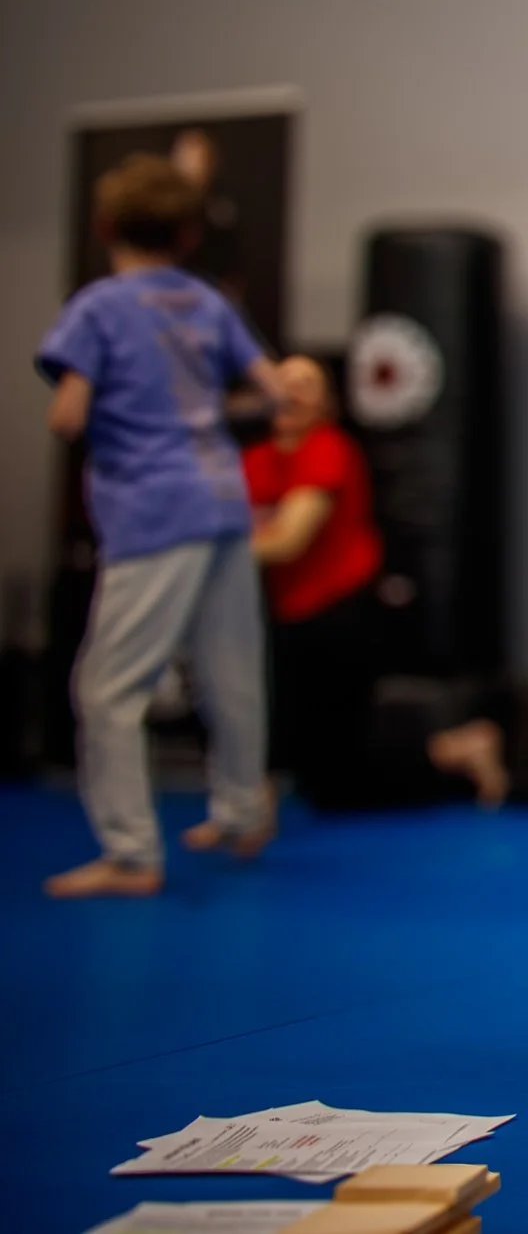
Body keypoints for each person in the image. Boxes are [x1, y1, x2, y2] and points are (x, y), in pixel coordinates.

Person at [36, 153, 285, 898]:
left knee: (108, 688)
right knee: (231, 668)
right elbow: (270, 395)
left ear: (106, 225)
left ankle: (130, 852)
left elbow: (68, 414)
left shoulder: (100, 306)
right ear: (185, 234)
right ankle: (242, 808)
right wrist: (206, 414)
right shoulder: (204, 301)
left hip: (153, 508)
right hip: (220, 496)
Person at [242, 355, 506, 809]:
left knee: (340, 777)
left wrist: (197, 554)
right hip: (287, 612)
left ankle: (462, 751)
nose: (292, 392)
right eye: (284, 382)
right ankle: (250, 809)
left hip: (341, 613)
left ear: (327, 403)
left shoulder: (327, 449)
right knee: (313, 765)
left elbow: (288, 540)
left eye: (306, 385)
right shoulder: (254, 461)